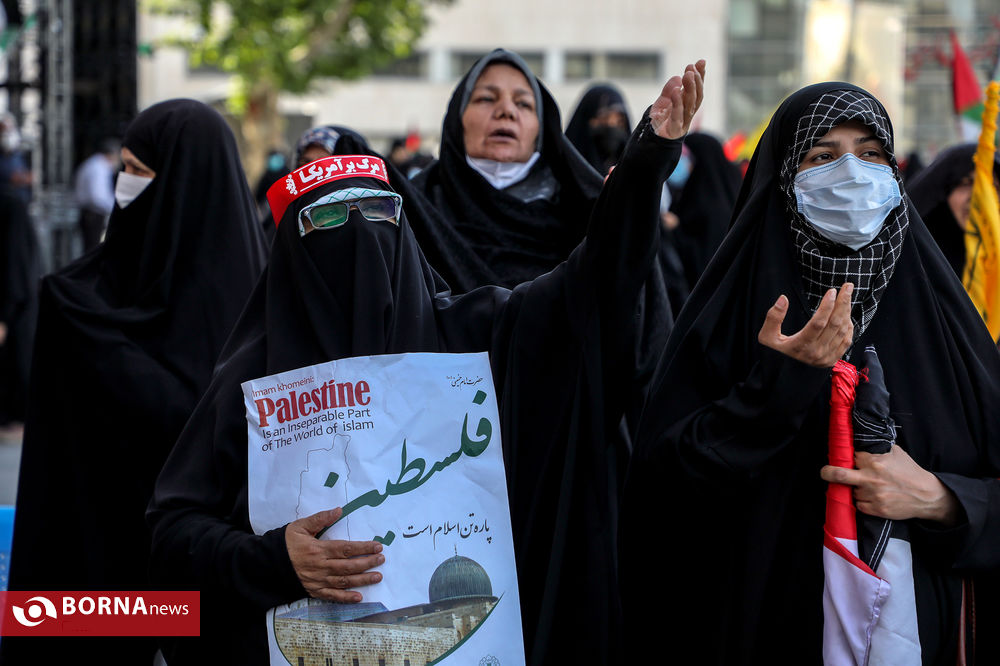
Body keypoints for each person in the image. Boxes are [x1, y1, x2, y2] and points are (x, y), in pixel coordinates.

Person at [147, 62, 704, 665]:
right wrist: (274, 560)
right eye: (325, 218)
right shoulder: (251, 379)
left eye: (379, 215)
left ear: (405, 230)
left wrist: (644, 165)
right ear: (290, 246)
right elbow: (173, 530)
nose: (358, 236)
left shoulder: (468, 336)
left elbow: (583, 292)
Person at [620, 82, 1000, 664]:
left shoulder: (944, 323)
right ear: (781, 177)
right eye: (822, 156)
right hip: (759, 629)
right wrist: (779, 389)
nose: (851, 173)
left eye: (871, 154)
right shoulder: (731, 314)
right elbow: (661, 488)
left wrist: (942, 500)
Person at [2, 99, 268, 665]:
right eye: (124, 167)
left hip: (217, 588)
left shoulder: (264, 306)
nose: (124, 184)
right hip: (105, 594)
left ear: (185, 185)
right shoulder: (78, 304)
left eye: (139, 170)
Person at [410, 49, 608, 292]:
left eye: (523, 103)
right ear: (457, 119)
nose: (507, 111)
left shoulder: (585, 215)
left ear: (542, 128)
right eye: (486, 99)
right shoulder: (413, 208)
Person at [907, 143, 1000, 278]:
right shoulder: (915, 265)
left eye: (992, 186)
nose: (979, 197)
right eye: (966, 183)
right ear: (943, 194)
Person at [565, 83, 632, 176]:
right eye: (604, 118)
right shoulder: (559, 171)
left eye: (619, 120)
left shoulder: (633, 173)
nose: (612, 125)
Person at [74, 137, 120, 251]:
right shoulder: (99, 168)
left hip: (90, 214)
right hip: (93, 215)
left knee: (91, 248)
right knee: (93, 249)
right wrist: (115, 208)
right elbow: (97, 196)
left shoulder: (94, 164)